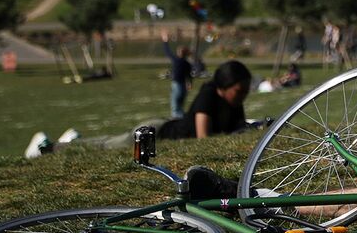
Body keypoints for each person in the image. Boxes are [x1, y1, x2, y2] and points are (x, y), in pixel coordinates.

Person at [25, 61, 253, 158]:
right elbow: (205, 140)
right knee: (108, 146)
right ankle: (49, 148)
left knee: (109, 142)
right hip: (155, 133)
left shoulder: (233, 103)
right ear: (224, 86)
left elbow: (238, 129)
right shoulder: (208, 96)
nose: (243, 95)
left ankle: (72, 140)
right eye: (239, 90)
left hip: (161, 130)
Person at [161, 31, 193, 118]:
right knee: (180, 107)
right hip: (183, 87)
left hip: (177, 86)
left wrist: (165, 41)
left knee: (175, 108)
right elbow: (189, 76)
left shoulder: (176, 60)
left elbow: (167, 52)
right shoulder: (187, 63)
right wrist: (190, 84)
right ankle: (182, 118)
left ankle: (176, 122)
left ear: (180, 53)